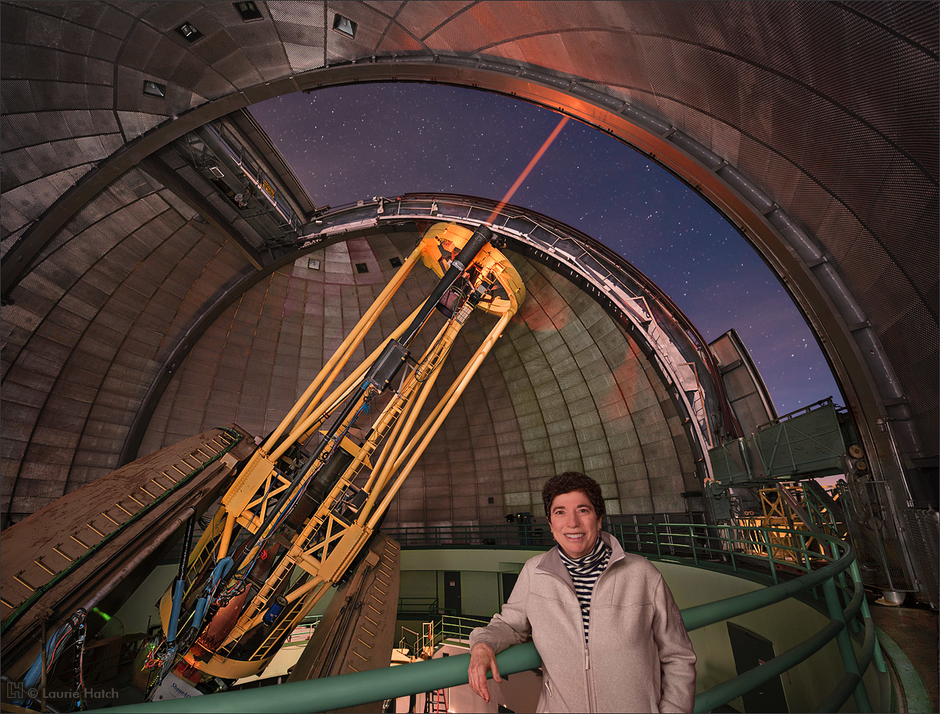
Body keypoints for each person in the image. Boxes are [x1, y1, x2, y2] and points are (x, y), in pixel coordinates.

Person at [467, 472, 696, 713]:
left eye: (583, 510)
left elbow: (678, 657)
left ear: (598, 519)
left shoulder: (643, 575)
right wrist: (482, 644)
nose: (572, 523)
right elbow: (509, 625)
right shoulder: (534, 573)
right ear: (550, 523)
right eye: (560, 512)